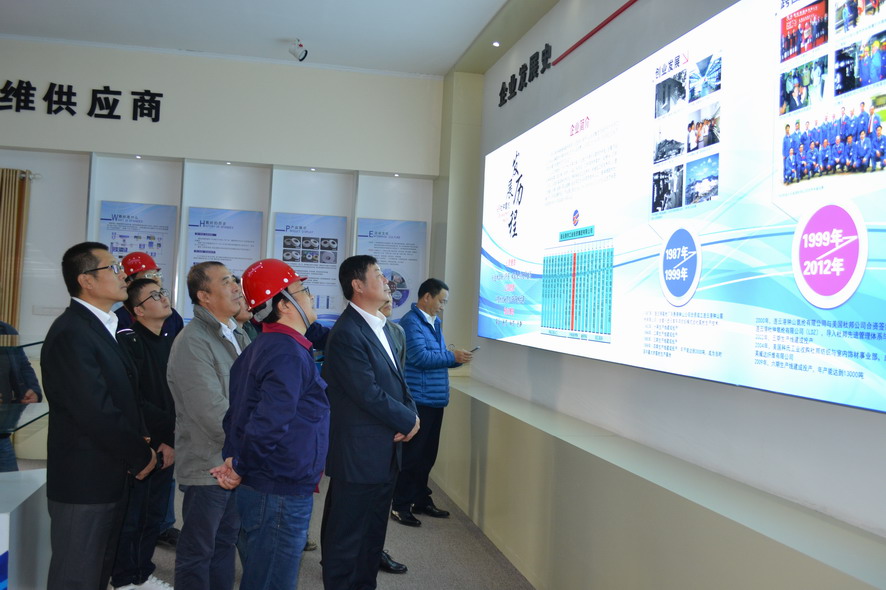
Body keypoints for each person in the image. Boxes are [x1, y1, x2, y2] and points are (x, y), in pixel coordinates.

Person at [40, 241, 157, 590]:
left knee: (96, 573)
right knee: (76, 576)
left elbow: (126, 395)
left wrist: (141, 438)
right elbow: (95, 411)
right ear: (86, 280)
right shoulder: (71, 332)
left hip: (108, 475)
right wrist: (140, 454)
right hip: (84, 482)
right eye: (113, 268)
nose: (123, 275)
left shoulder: (103, 325)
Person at [211, 259, 330, 590]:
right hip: (278, 490)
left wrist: (236, 460)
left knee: (262, 573)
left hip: (268, 483)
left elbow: (237, 415)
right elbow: (269, 423)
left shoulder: (265, 347)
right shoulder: (286, 352)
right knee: (272, 580)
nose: (310, 296)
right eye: (302, 290)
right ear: (284, 304)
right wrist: (240, 465)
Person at [320, 255, 419, 590]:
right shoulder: (347, 332)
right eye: (378, 275)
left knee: (372, 537)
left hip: (385, 451)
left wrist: (412, 414)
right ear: (357, 285)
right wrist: (408, 420)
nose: (387, 281)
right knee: (347, 538)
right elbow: (367, 392)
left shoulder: (385, 328)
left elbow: (399, 383)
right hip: (358, 456)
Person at [166, 261, 249, 590]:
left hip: (234, 458)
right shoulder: (193, 341)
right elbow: (210, 410)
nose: (236, 287)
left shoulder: (236, 332)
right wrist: (244, 450)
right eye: (226, 281)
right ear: (204, 296)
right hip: (210, 464)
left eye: (234, 280)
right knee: (199, 549)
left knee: (225, 542)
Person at [112, 279, 177, 590]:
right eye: (154, 295)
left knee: (154, 513)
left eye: (162, 292)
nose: (163, 298)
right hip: (145, 443)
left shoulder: (170, 341)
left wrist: (173, 439)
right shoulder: (129, 342)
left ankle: (141, 572)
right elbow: (134, 399)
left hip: (169, 441)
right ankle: (125, 577)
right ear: (138, 310)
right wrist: (162, 437)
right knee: (134, 515)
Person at [391, 279, 472, 527]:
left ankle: (420, 500)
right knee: (412, 456)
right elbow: (420, 357)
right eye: (441, 301)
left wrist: (455, 359)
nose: (442, 307)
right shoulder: (411, 322)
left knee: (427, 456)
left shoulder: (434, 322)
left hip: (435, 399)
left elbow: (436, 356)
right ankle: (400, 505)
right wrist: (451, 356)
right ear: (427, 297)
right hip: (420, 399)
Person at [0, 320, 42, 472]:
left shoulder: (6, 331)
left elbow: (23, 365)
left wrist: (33, 390)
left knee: (11, 483)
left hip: (2, 432)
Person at [115, 252, 184, 338]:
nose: (156, 279)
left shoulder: (172, 317)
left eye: (157, 274)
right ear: (129, 284)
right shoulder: (117, 321)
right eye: (149, 275)